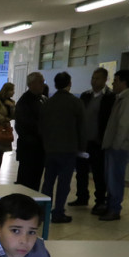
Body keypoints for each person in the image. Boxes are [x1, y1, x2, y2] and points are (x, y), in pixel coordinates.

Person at [40, 72, 86, 223]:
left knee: (48, 182)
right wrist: (82, 147)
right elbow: (81, 126)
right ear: (69, 83)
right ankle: (58, 212)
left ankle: (43, 212)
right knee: (63, 183)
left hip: (51, 149)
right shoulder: (75, 102)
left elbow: (42, 126)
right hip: (68, 149)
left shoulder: (48, 102)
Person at [71, 68, 115, 214]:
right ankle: (82, 197)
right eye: (93, 78)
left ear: (104, 80)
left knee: (98, 173)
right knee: (81, 172)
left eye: (97, 78)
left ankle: (100, 201)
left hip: (98, 142)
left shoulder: (110, 97)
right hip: (83, 142)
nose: (94, 81)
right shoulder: (85, 95)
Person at [98, 69, 129, 221]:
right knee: (110, 179)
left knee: (115, 179)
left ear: (123, 82)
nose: (113, 84)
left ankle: (115, 209)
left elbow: (123, 126)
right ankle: (110, 206)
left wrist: (115, 146)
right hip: (113, 146)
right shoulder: (120, 98)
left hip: (119, 148)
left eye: (115, 81)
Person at [14, 72, 46, 191]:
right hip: (29, 147)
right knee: (26, 179)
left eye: (43, 82)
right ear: (31, 84)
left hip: (39, 148)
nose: (43, 85)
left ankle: (32, 202)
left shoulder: (42, 99)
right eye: (40, 82)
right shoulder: (24, 101)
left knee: (36, 179)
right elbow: (25, 125)